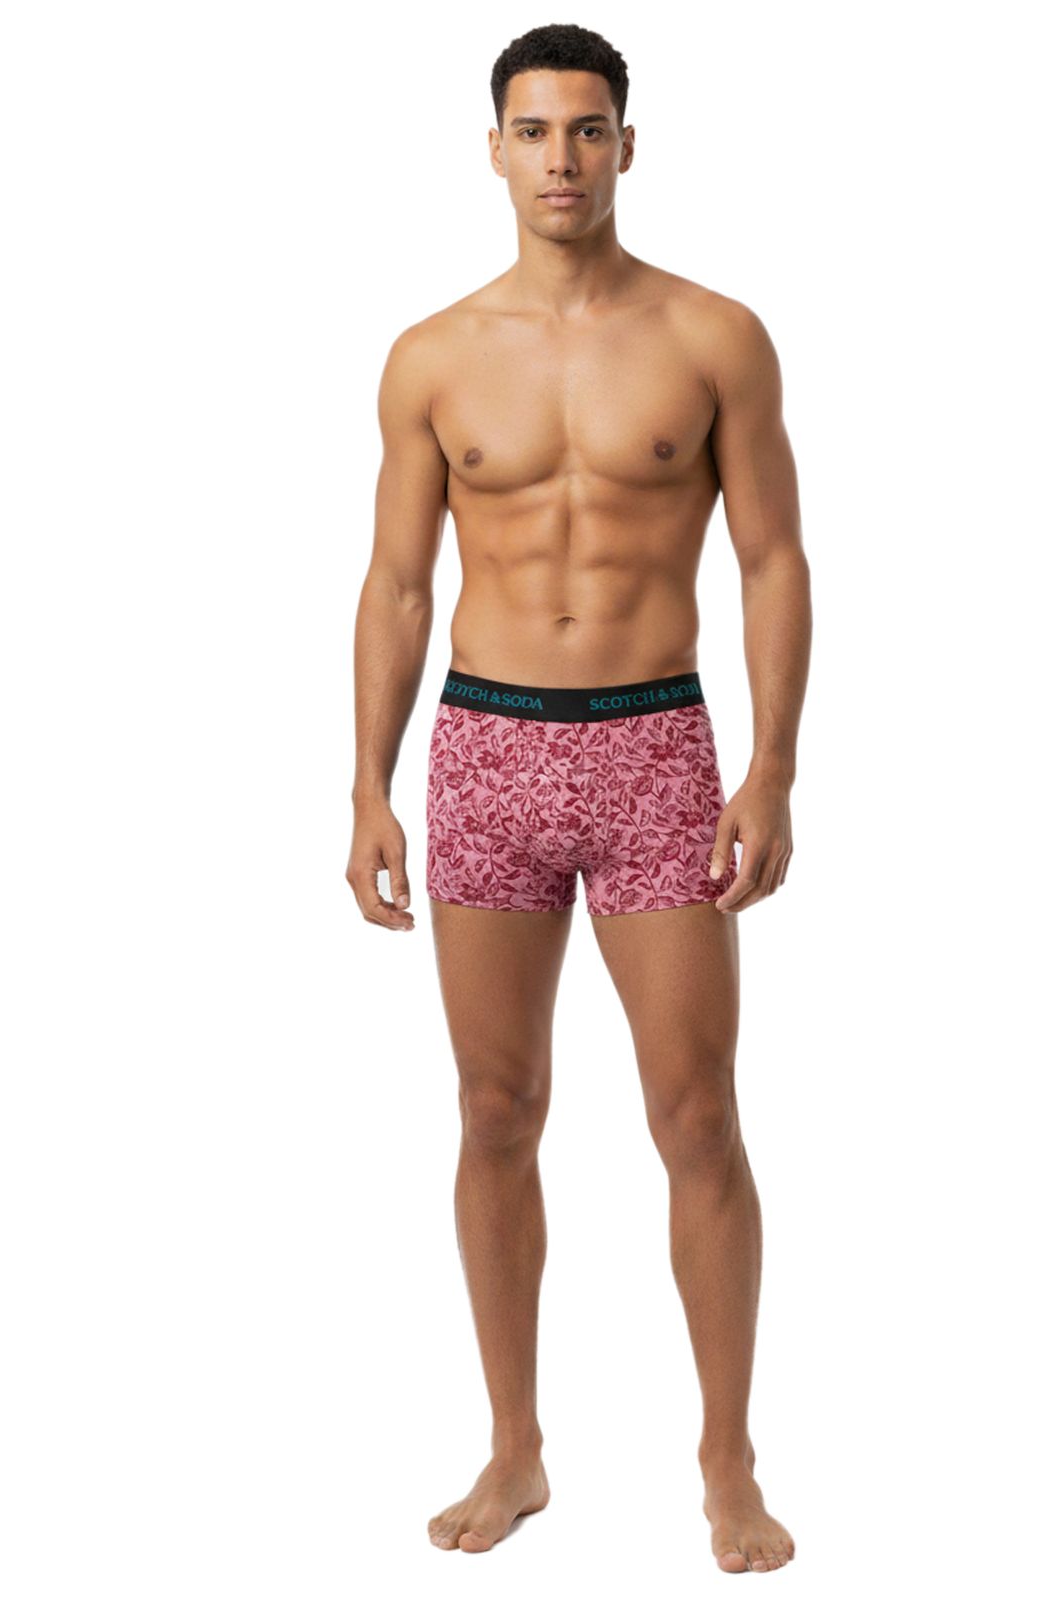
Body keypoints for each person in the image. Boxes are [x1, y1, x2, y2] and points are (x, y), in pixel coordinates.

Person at [346, 23, 809, 1576]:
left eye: (587, 129)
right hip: (483, 750)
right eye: (534, 130)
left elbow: (771, 562)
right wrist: (366, 785)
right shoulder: (430, 356)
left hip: (653, 747)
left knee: (697, 1112)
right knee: (493, 1110)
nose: (560, 156)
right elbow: (397, 585)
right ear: (493, 151)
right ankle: (515, 1447)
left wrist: (771, 765)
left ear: (626, 146)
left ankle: (727, 1464)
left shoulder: (712, 336)